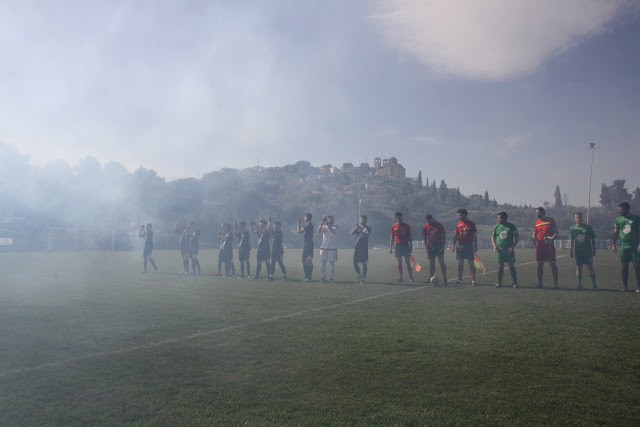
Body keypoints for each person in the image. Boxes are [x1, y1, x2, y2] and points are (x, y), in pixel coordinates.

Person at [611, 202, 640, 292]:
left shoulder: (636, 218)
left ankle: (639, 286)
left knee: (637, 267)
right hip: (624, 247)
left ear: (627, 209)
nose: (620, 211)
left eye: (622, 210)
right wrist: (614, 244)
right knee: (624, 267)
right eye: (619, 210)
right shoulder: (618, 220)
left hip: (635, 247)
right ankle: (625, 286)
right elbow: (616, 233)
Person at [569, 212, 597, 290]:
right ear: (575, 219)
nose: (578, 219)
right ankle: (579, 284)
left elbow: (593, 238)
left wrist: (594, 248)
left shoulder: (588, 227)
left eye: (579, 217)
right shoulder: (572, 228)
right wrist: (570, 250)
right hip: (578, 251)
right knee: (579, 267)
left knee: (590, 267)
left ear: (582, 218)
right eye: (576, 218)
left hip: (587, 251)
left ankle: (594, 285)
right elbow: (571, 239)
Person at [491, 212, 519, 288]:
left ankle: (515, 283)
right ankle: (499, 283)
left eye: (500, 218)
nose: (498, 219)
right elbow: (493, 237)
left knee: (511, 266)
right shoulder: (496, 227)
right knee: (500, 266)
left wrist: (513, 246)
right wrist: (494, 246)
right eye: (498, 218)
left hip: (509, 250)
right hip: (500, 250)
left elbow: (517, 237)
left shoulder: (511, 226)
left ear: (504, 218)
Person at [533, 207, 559, 289]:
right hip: (540, 247)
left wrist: (552, 238)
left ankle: (555, 284)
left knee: (553, 264)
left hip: (549, 247)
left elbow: (556, 232)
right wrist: (534, 240)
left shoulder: (551, 220)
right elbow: (534, 234)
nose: (535, 214)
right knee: (540, 265)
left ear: (542, 212)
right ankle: (540, 283)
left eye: (537, 212)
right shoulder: (536, 222)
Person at [451, 208, 477, 285]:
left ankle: (473, 281)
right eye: (458, 215)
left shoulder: (471, 223)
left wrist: (475, 245)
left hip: (468, 245)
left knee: (471, 263)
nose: (459, 217)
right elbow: (456, 235)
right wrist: (453, 245)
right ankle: (460, 280)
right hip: (460, 246)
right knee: (460, 263)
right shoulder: (458, 224)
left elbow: (474, 235)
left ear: (465, 215)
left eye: (460, 215)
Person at [422, 214, 448, 284]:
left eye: (429, 220)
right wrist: (426, 247)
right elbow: (424, 238)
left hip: (438, 244)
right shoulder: (425, 227)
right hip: (431, 245)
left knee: (441, 262)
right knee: (431, 263)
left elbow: (443, 236)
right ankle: (431, 277)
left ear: (432, 219)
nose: (428, 222)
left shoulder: (439, 225)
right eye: (427, 221)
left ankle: (445, 278)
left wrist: (442, 246)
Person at [390, 212, 414, 282]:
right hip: (397, 245)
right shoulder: (393, 226)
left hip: (405, 244)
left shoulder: (406, 226)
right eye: (398, 218)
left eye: (401, 218)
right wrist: (390, 247)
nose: (400, 219)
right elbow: (392, 237)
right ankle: (401, 277)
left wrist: (411, 246)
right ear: (396, 218)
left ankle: (411, 276)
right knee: (399, 261)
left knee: (407, 262)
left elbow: (409, 236)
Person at [351, 215, 371, 283]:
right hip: (357, 248)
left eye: (364, 219)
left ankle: (364, 278)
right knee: (355, 263)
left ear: (366, 220)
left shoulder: (368, 228)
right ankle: (359, 274)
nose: (363, 221)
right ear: (360, 220)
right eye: (362, 219)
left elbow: (367, 235)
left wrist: (360, 230)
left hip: (364, 249)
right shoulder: (358, 228)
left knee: (364, 263)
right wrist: (356, 227)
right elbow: (352, 233)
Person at [318, 214, 338, 282]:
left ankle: (331, 278)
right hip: (324, 247)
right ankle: (323, 277)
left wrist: (327, 224)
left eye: (332, 219)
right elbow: (319, 231)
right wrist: (321, 223)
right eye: (329, 218)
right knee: (323, 263)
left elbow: (332, 231)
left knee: (332, 263)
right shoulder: (324, 226)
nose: (331, 220)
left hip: (332, 248)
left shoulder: (335, 226)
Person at [297, 213, 314, 281]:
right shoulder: (309, 225)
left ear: (307, 218)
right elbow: (302, 231)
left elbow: (299, 231)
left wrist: (298, 223)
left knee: (307, 260)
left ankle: (308, 277)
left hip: (308, 245)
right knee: (305, 260)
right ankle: (307, 276)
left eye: (304, 217)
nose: (304, 218)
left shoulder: (308, 225)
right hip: (308, 244)